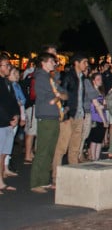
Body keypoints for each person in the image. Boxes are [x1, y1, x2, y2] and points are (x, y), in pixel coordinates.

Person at [30, 52, 67, 193]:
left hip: (52, 115)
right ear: (44, 63)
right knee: (43, 150)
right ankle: (36, 182)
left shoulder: (48, 77)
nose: (54, 63)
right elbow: (51, 98)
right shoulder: (40, 77)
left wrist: (58, 96)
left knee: (50, 149)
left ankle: (44, 179)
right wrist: (58, 96)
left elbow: (61, 94)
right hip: (45, 115)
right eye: (52, 61)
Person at [53, 54, 88, 186]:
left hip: (78, 114)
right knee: (62, 146)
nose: (86, 64)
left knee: (75, 147)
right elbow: (63, 95)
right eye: (84, 61)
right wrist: (64, 114)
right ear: (77, 63)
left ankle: (74, 174)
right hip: (69, 116)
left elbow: (80, 97)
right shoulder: (68, 76)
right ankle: (56, 176)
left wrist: (82, 112)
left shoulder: (82, 77)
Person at [0, 56, 20, 193]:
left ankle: (1, 182)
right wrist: (8, 119)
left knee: (3, 154)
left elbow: (13, 101)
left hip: (8, 123)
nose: (9, 67)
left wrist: (17, 116)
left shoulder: (7, 82)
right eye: (6, 65)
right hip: (2, 122)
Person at [88, 73, 108, 161]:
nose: (100, 81)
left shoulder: (101, 92)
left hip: (102, 116)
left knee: (99, 139)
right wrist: (104, 120)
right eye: (98, 79)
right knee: (94, 139)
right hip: (95, 117)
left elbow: (103, 105)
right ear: (93, 81)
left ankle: (97, 156)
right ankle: (93, 156)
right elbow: (97, 106)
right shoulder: (93, 92)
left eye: (101, 79)